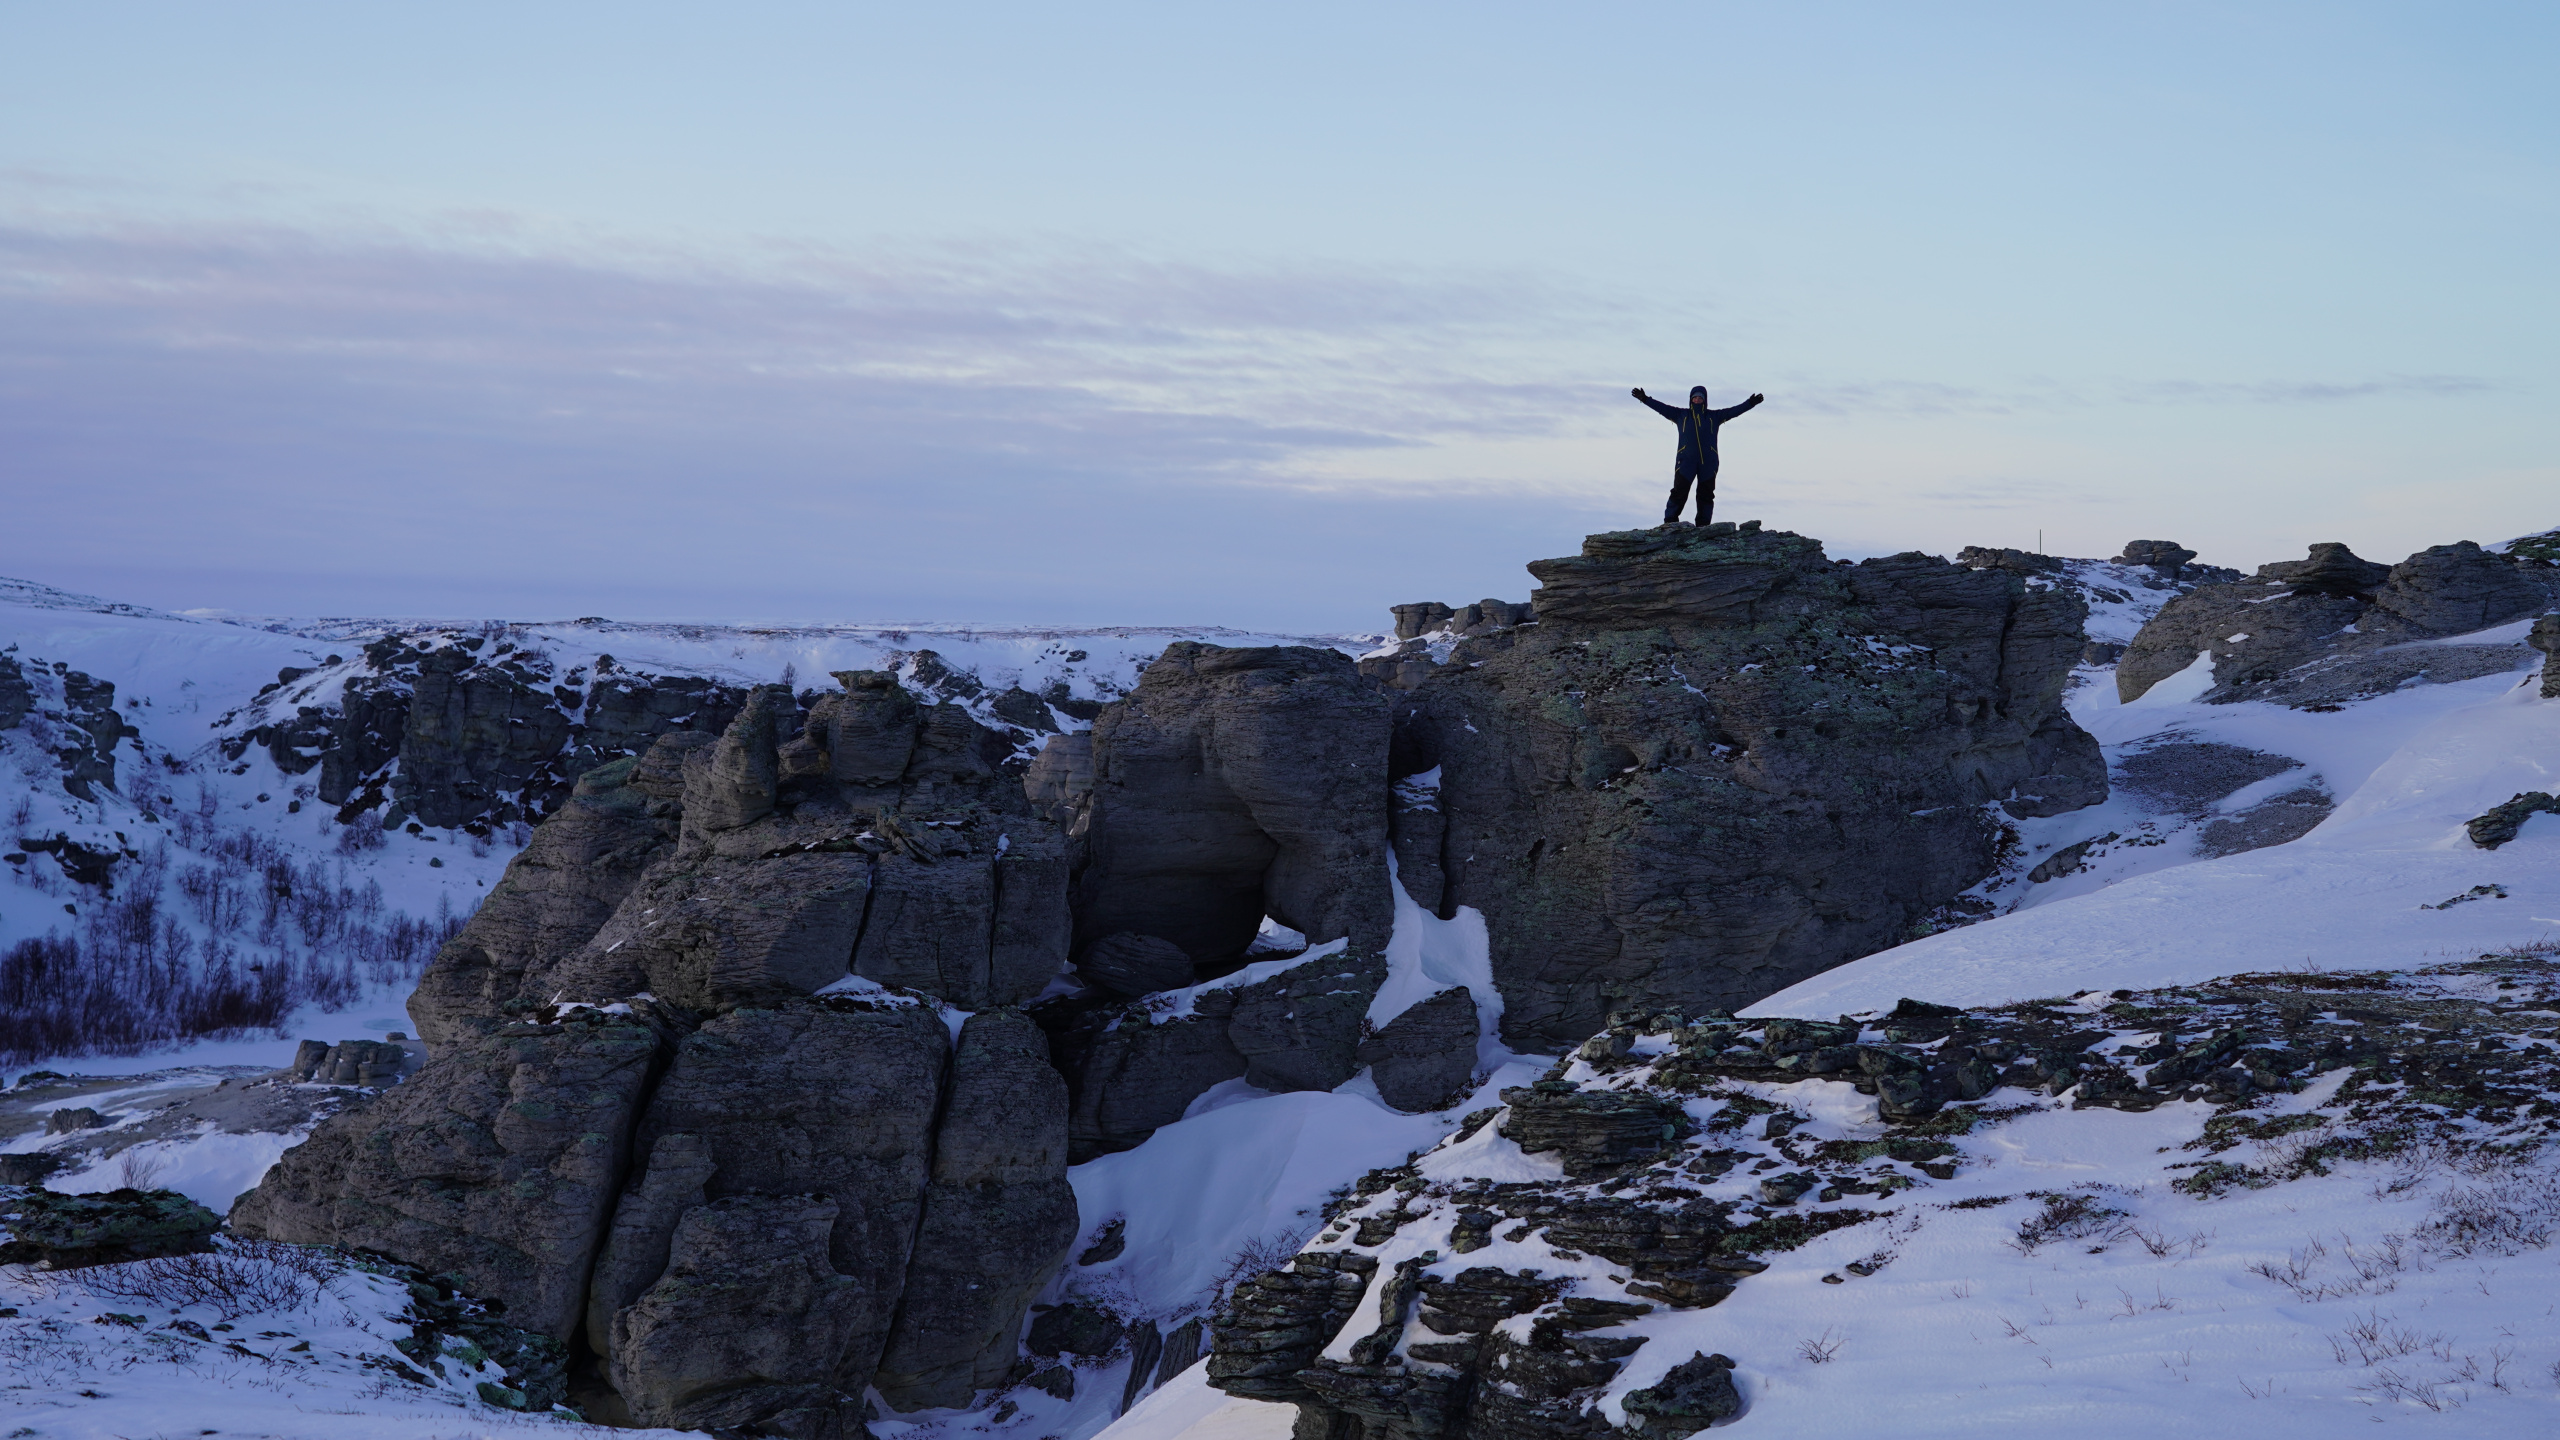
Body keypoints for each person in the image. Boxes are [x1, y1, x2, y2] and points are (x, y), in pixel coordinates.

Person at [1632, 384, 1764, 526]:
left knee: (1706, 494)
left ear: (1705, 400)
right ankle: (1670, 521)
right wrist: (1645, 399)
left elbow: (1734, 411)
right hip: (1685, 461)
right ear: (1690, 399)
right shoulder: (1681, 415)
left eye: (1700, 398)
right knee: (1679, 491)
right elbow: (1662, 408)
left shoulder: (1714, 417)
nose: (1697, 400)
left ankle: (1703, 525)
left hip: (1708, 462)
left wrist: (1750, 403)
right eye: (1694, 397)